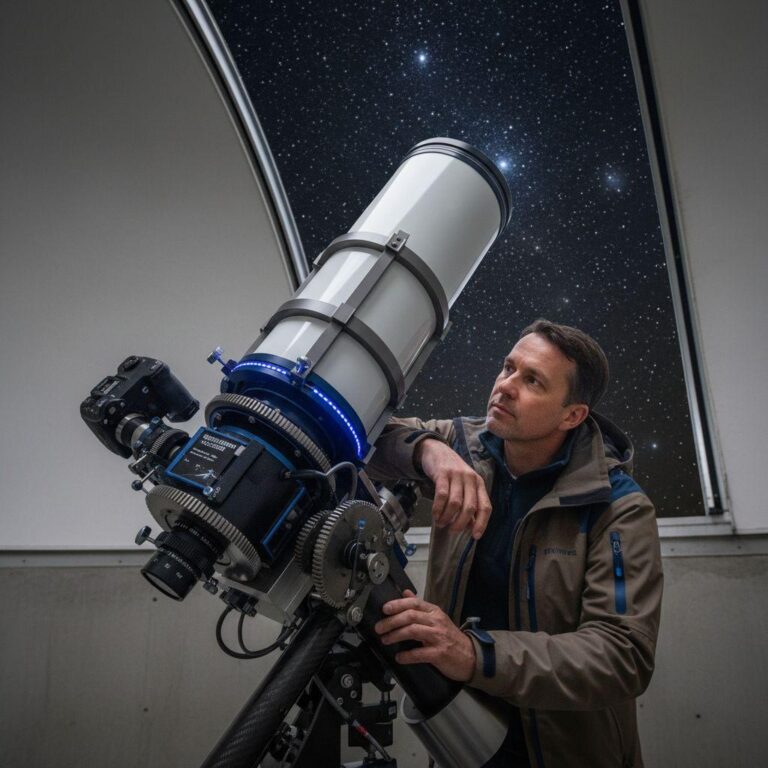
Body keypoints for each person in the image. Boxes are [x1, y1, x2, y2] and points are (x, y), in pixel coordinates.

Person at [368, 319, 663, 768]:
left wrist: (473, 654)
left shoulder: (618, 507)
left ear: (572, 415)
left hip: (563, 751)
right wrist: (430, 451)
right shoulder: (464, 447)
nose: (505, 387)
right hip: (460, 734)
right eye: (508, 368)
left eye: (532, 381)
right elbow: (367, 437)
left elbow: (622, 656)